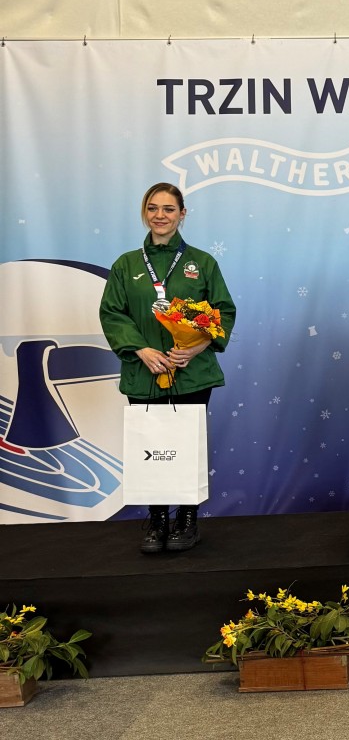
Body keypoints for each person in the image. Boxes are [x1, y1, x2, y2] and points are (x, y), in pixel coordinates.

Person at [99, 183, 236, 553]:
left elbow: (222, 311)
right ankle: (157, 520)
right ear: (145, 213)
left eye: (169, 209)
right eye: (153, 208)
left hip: (192, 373)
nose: (160, 215)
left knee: (186, 444)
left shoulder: (202, 263)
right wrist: (141, 349)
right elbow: (112, 312)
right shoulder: (126, 265)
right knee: (151, 446)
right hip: (144, 372)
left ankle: (187, 521)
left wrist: (195, 347)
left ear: (182, 214)